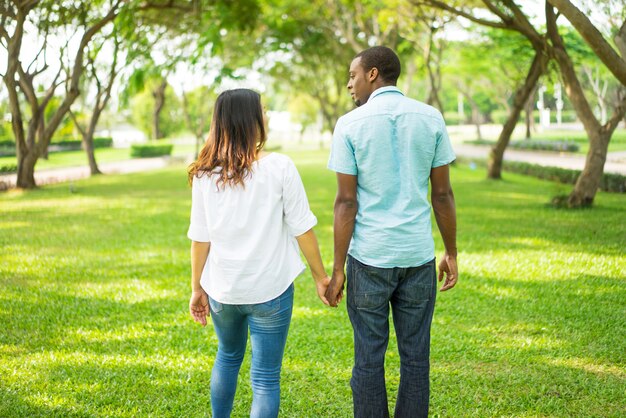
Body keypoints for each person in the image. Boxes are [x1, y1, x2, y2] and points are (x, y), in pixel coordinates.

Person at [325, 46, 458, 418]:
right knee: (416, 359)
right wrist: (452, 252)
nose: (349, 84)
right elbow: (443, 194)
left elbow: (345, 203)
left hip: (369, 258)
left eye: (353, 75)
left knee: (368, 358)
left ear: (372, 74)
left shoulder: (350, 125)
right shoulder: (431, 118)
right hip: (417, 256)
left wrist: (338, 271)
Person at [187, 88, 330, 418]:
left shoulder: (205, 173)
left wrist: (197, 288)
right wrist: (320, 277)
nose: (266, 115)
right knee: (265, 379)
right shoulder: (280, 166)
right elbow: (302, 228)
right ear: (252, 120)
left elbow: (200, 239)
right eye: (263, 110)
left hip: (223, 291)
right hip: (271, 292)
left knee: (227, 356)